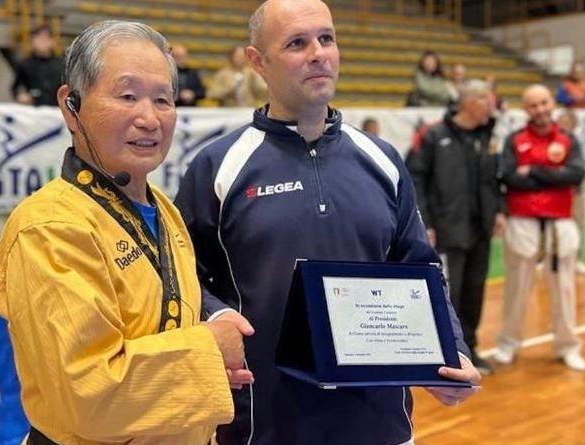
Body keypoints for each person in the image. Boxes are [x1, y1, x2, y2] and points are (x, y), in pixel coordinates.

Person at [175, 1, 480, 444]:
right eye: (297, 43)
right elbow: (182, 276)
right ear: (257, 61)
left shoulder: (382, 160)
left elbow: (420, 268)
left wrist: (450, 350)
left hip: (381, 426)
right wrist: (217, 316)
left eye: (327, 38)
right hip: (265, 426)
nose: (318, 53)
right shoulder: (217, 167)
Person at [0, 20, 253, 445]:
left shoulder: (163, 210)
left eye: (163, 100)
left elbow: (163, 327)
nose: (149, 118)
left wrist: (212, 337)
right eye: (127, 96)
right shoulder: (50, 227)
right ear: (70, 105)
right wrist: (209, 351)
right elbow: (87, 393)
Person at [408, 80, 506, 376]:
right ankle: (449, 353)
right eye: (484, 99)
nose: (491, 105)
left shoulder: (487, 135)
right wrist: (426, 221)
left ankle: (471, 349)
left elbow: (493, 179)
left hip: (480, 228)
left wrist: (499, 211)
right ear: (467, 101)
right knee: (450, 293)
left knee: (475, 291)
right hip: (449, 230)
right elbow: (415, 179)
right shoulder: (435, 135)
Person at [493, 84, 585, 372]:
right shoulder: (515, 140)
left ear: (552, 103)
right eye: (533, 105)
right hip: (523, 220)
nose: (540, 109)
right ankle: (508, 342)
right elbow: (509, 177)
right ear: (526, 109)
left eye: (544, 102)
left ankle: (568, 345)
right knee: (516, 288)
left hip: (560, 222)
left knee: (564, 289)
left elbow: (575, 173)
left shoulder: (568, 139)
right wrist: (553, 176)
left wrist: (533, 170)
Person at [557, 108, 585, 275]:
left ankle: (577, 259)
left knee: (576, 225)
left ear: (574, 124)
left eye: (567, 122)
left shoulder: (578, 143)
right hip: (554, 192)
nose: (563, 125)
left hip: (574, 192)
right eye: (561, 122)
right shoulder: (552, 141)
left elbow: (579, 170)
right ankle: (546, 258)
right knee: (550, 227)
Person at [11, 24, 64, 106]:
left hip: (57, 111)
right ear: (33, 41)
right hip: (34, 112)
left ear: (52, 41)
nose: (42, 42)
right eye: (38, 38)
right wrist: (20, 95)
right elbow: (16, 87)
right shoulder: (25, 64)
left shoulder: (62, 64)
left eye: (45, 38)